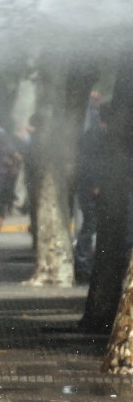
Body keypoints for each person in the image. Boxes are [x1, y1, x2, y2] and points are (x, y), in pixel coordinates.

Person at [74, 104, 108, 282]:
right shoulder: (97, 135)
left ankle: (85, 264)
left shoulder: (93, 133)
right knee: (90, 225)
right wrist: (96, 184)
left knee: (92, 225)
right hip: (92, 189)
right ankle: (83, 265)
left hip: (91, 187)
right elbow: (91, 162)